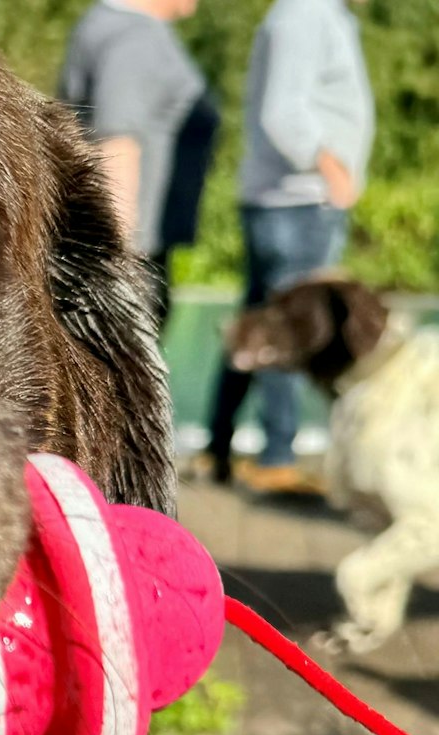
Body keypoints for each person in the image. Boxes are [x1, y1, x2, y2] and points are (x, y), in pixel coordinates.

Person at [203, 0, 373, 491]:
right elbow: (283, 112)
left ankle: (220, 449)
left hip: (289, 202)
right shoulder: (304, 14)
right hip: (297, 203)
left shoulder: (311, 14)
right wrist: (333, 169)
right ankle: (277, 458)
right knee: (294, 329)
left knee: (259, 323)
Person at [57, 0, 217, 328]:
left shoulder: (112, 25)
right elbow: (117, 142)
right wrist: (119, 257)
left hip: (126, 247)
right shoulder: (133, 36)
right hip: (130, 250)